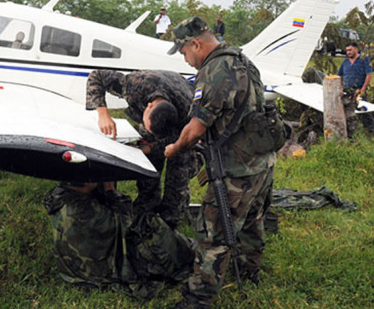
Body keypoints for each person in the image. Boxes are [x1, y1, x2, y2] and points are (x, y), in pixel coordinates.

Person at [165, 17, 276, 309]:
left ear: (196, 44)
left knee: (213, 233)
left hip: (236, 168)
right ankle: (249, 270)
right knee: (252, 220)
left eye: (183, 52)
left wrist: (174, 149)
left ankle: (199, 297)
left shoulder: (214, 70)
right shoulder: (243, 60)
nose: (185, 59)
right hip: (261, 161)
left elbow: (196, 128)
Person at [44, 181, 194, 301]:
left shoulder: (62, 197)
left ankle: (187, 246)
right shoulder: (83, 210)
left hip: (75, 269)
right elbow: (126, 221)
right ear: (86, 181)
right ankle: (189, 253)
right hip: (99, 273)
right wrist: (110, 189)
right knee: (151, 226)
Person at [86, 69, 197, 228]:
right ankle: (146, 211)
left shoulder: (189, 111)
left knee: (179, 175)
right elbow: (97, 76)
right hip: (157, 91)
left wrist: (152, 148)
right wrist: (103, 114)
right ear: (148, 105)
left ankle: (170, 222)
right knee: (148, 168)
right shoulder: (136, 85)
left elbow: (185, 138)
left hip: (183, 130)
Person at [337, 42, 374, 135]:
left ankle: (371, 131)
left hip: (358, 90)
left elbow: (369, 75)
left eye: (350, 50)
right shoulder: (345, 62)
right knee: (348, 111)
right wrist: (340, 87)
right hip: (347, 90)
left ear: (356, 49)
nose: (348, 52)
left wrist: (363, 89)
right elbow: (339, 75)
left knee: (365, 112)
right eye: (347, 51)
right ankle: (350, 132)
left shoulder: (364, 60)